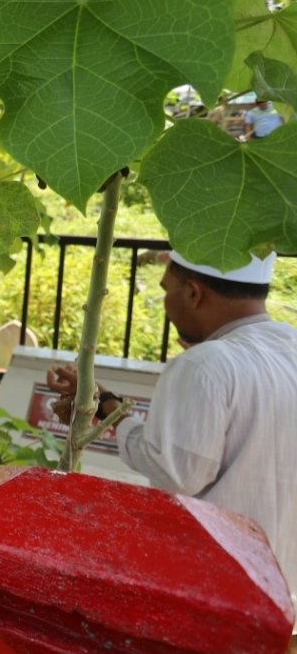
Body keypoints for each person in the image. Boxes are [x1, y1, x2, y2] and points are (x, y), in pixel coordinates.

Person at [47, 251, 297, 599]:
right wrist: (103, 400)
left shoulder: (204, 365)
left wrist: (111, 412)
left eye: (167, 289)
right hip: (287, 595)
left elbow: (175, 473)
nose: (164, 301)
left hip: (224, 596)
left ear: (193, 293)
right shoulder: (289, 346)